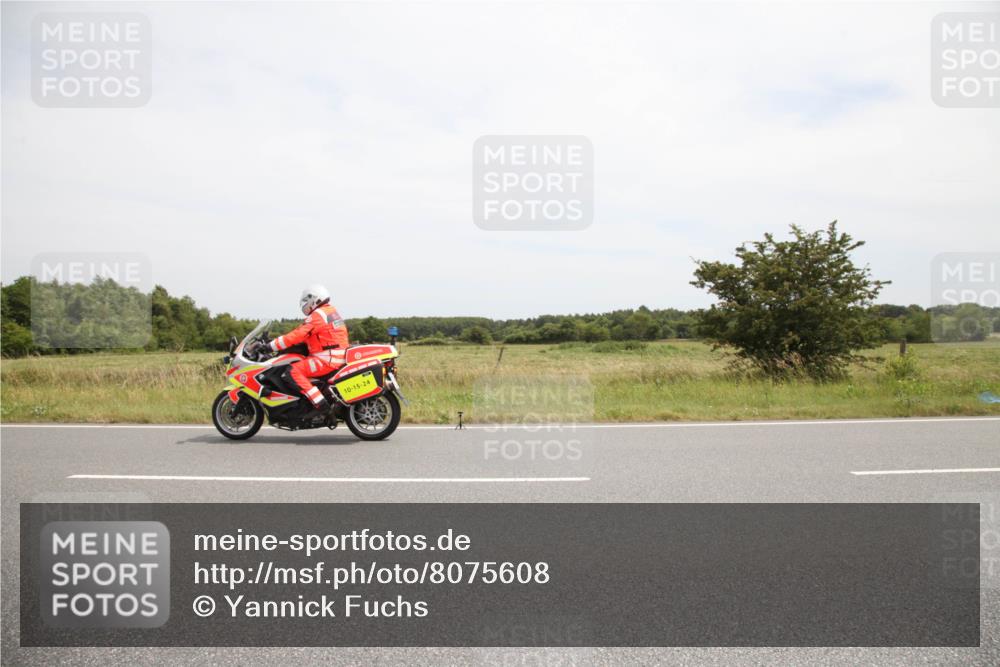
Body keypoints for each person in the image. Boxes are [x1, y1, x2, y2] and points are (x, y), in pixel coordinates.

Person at [261, 284, 349, 411]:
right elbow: (310, 336)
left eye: (306, 301)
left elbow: (297, 335)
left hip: (326, 359)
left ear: (314, 299)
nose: (304, 304)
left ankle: (321, 404)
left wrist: (270, 346)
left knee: (293, 371)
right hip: (335, 356)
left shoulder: (318, 314)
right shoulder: (330, 311)